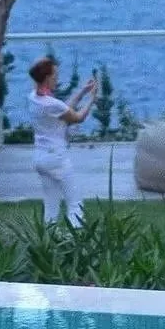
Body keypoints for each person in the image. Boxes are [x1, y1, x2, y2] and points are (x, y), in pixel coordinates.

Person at [25, 55, 100, 232]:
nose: (57, 78)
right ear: (47, 77)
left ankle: (48, 243)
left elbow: (63, 110)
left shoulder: (33, 98)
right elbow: (77, 117)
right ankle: (76, 242)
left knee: (51, 204)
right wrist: (92, 100)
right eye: (55, 75)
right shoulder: (52, 104)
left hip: (40, 157)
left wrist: (82, 92)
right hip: (56, 157)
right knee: (75, 203)